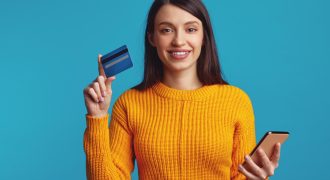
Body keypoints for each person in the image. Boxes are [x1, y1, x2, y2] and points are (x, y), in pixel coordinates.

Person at [83, 0, 282, 179]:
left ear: (204, 36)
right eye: (166, 30)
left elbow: (240, 176)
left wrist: (256, 178)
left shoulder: (236, 101)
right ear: (152, 37)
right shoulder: (129, 104)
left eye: (191, 29)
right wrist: (98, 118)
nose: (179, 40)